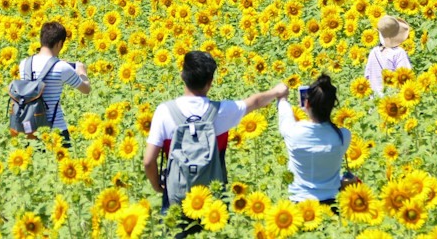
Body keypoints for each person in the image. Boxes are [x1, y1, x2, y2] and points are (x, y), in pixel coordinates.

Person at [143, 51, 287, 215]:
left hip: (177, 196)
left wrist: (158, 186)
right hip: (213, 199)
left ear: (182, 75)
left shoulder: (164, 111)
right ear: (210, 82)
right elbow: (255, 102)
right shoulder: (222, 111)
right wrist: (277, 91)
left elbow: (148, 161)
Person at [277, 74, 351, 207]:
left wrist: (282, 97)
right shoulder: (342, 136)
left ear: (307, 103)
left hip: (299, 204)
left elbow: (284, 111)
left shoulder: (293, 132)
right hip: (331, 205)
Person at [18, 21, 91, 148]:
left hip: (30, 131)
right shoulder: (62, 67)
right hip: (56, 132)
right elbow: (86, 89)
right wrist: (82, 72)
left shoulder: (24, 64)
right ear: (59, 43)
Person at [364, 15, 412, 96]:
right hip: (392, 102)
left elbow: (367, 77)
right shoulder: (399, 53)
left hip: (374, 102)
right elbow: (405, 77)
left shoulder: (373, 52)